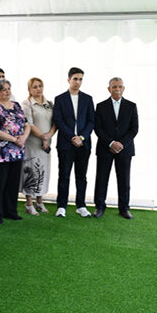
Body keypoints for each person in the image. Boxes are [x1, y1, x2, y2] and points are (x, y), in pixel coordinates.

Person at [52, 67, 95, 218]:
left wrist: (81, 137)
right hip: (66, 143)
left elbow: (91, 121)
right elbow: (58, 120)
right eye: (75, 79)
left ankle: (81, 206)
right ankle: (61, 206)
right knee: (64, 175)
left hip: (83, 144)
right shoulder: (60, 99)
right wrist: (72, 137)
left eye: (80, 79)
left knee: (81, 176)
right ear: (69, 79)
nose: (78, 82)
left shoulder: (88, 99)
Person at [93, 77, 139, 219]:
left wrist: (121, 144)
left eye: (120, 86)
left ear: (123, 88)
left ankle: (124, 208)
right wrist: (111, 142)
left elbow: (134, 129)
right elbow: (98, 128)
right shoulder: (101, 106)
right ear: (109, 89)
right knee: (101, 179)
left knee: (124, 181)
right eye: (114, 86)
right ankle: (99, 207)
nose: (117, 89)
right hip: (105, 148)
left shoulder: (131, 106)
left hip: (125, 149)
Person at [0, 79, 30, 223]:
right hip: (1, 152)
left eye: (8, 88)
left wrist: (23, 137)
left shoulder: (16, 105)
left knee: (12, 183)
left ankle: (10, 211)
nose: (7, 91)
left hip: (17, 151)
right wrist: (14, 139)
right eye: (3, 89)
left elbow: (27, 124)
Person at [20, 77, 56, 215]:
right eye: (34, 87)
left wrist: (48, 136)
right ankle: (29, 203)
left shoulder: (50, 104)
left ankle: (40, 201)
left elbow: (55, 123)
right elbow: (29, 124)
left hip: (46, 145)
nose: (38, 89)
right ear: (29, 89)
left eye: (40, 86)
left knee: (43, 171)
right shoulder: (26, 104)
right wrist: (42, 136)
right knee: (31, 171)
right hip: (32, 144)